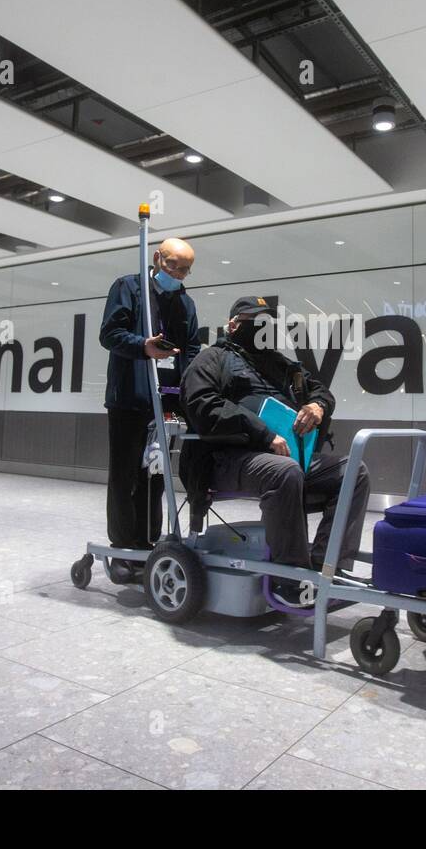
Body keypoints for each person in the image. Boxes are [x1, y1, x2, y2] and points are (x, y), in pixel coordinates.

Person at [180, 297, 369, 607]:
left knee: (354, 472)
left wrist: (317, 406)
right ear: (234, 325)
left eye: (266, 322)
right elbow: (203, 408)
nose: (261, 328)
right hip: (226, 458)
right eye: (254, 322)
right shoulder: (211, 360)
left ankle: (328, 570)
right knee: (284, 471)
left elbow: (321, 391)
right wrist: (264, 433)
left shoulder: (280, 364)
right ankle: (291, 580)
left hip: (285, 457)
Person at [99, 237, 200, 578]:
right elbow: (110, 334)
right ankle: (122, 550)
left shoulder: (184, 304)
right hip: (130, 400)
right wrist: (144, 347)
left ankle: (148, 544)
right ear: (157, 258)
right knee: (125, 474)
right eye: (174, 266)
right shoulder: (128, 288)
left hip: (167, 403)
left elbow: (191, 348)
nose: (179, 275)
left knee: (156, 477)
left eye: (185, 270)